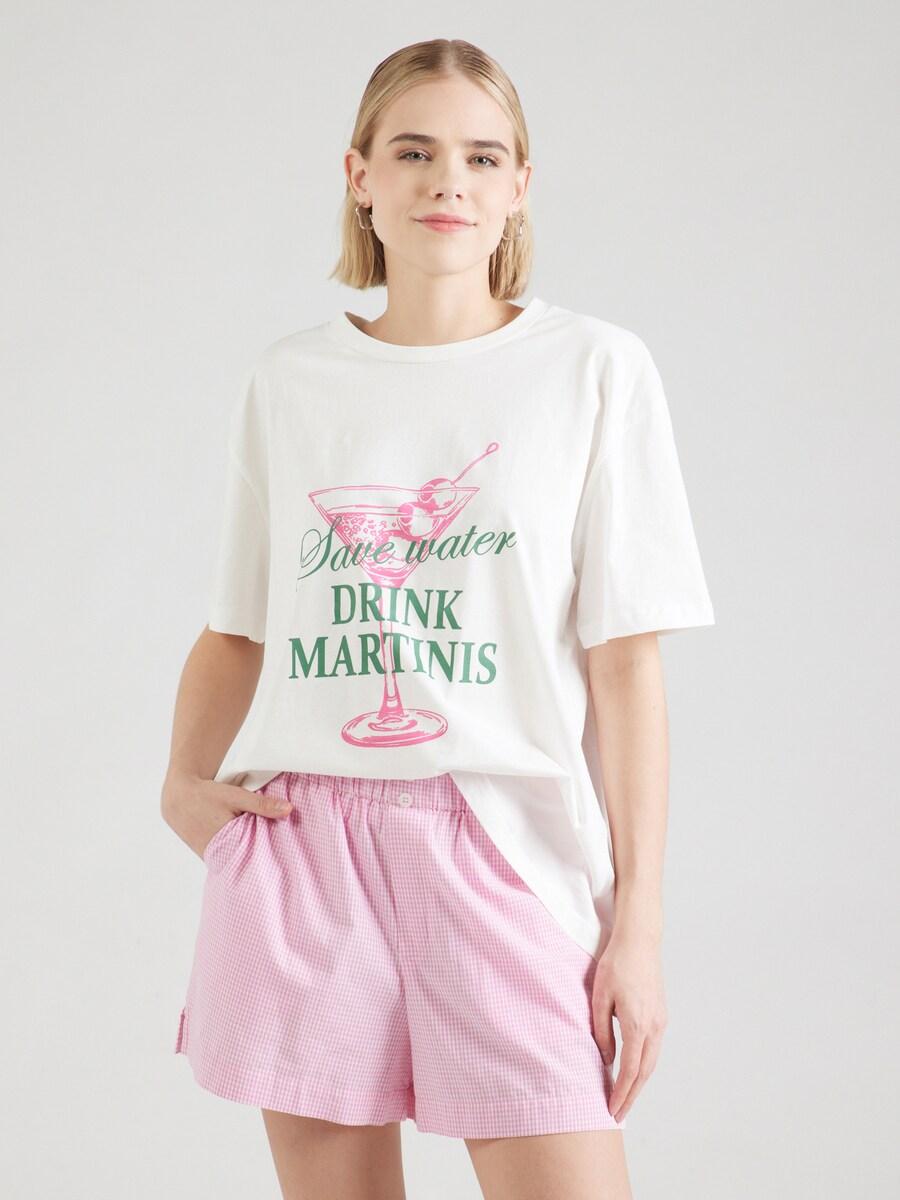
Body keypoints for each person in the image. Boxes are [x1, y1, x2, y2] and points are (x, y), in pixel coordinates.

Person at [162, 37, 715, 1200]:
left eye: (482, 156)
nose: (447, 181)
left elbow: (625, 665)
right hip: (307, 847)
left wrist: (639, 926)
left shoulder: (593, 370)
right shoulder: (291, 381)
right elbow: (237, 627)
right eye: (413, 152)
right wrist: (180, 781)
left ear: (519, 187)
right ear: (359, 175)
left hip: (507, 846)